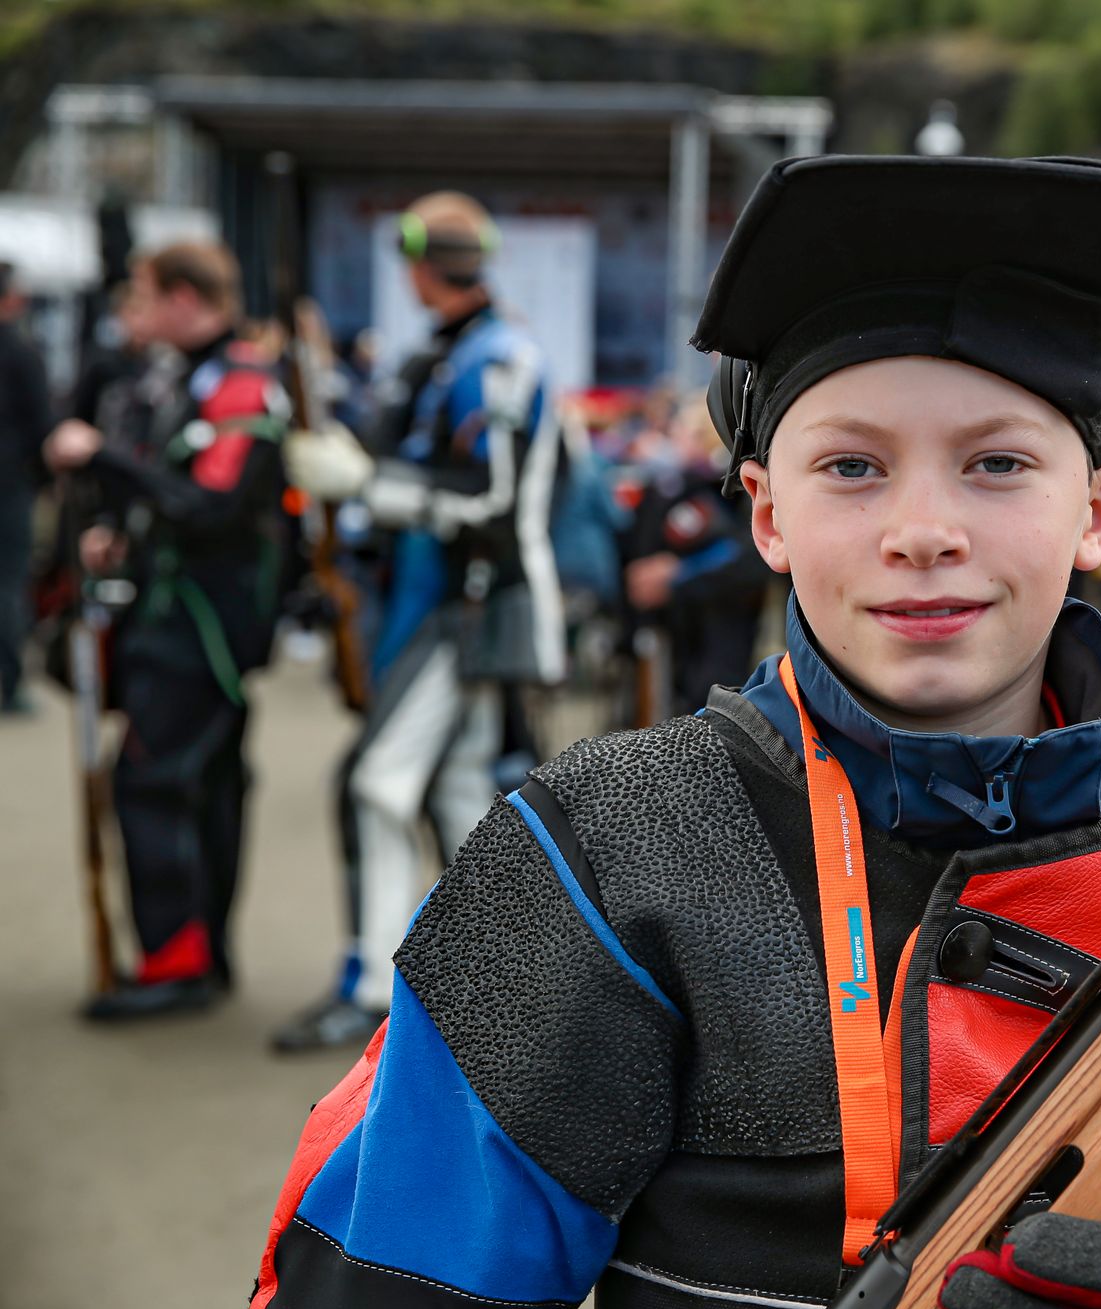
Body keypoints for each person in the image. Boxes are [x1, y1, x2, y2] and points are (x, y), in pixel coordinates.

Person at [246, 156, 1101, 1309]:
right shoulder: (606, 849)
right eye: (852, 467)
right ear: (765, 513)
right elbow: (375, 1299)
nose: (923, 529)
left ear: (1097, 507)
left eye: (998, 464)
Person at [273, 191, 566, 1052]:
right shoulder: (453, 353)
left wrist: (363, 485)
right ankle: (500, 986)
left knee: (381, 784)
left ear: (416, 265)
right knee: (458, 789)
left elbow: (494, 497)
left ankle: (377, 987)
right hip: (438, 603)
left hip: (470, 604)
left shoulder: (497, 355)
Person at [41, 241, 290, 1017]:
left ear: (186, 296)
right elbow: (173, 497)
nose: (134, 314)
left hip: (201, 630)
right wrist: (120, 530)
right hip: (173, 618)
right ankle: (194, 957)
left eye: (145, 296)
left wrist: (105, 459)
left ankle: (177, 962)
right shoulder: (180, 375)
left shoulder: (241, 381)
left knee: (156, 782)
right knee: (198, 787)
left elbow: (210, 505)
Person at [622, 397, 771, 718]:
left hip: (726, 631)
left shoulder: (736, 489)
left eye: (685, 431)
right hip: (685, 631)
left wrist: (678, 575)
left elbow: (750, 556)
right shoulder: (683, 488)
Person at [0, 261, 54, 715]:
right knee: (9, 582)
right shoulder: (21, 352)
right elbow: (43, 424)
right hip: (10, 484)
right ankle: (9, 682)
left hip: (13, 481)